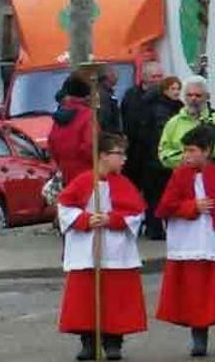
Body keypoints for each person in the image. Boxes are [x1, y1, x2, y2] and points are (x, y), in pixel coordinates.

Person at [155, 125, 215, 357]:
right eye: (184, 151)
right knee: (195, 292)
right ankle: (199, 336)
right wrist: (191, 207)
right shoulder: (179, 176)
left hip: (213, 242)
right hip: (187, 242)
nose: (186, 156)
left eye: (191, 150)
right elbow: (166, 207)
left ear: (206, 151)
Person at [57, 133, 147, 361]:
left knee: (115, 298)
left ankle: (113, 341)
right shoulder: (83, 181)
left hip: (116, 249)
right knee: (86, 298)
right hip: (87, 249)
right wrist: (86, 219)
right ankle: (88, 341)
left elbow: (136, 213)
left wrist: (112, 219)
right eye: (120, 154)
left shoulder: (124, 185)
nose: (124, 159)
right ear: (104, 155)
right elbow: (65, 209)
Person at [158, 76, 215, 175]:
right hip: (184, 180)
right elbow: (164, 154)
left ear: (207, 97)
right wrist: (188, 158)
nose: (193, 99)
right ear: (184, 97)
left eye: (198, 95)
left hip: (212, 179)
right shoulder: (174, 123)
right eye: (189, 95)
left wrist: (205, 154)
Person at [140, 76, 184, 240]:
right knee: (159, 195)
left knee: (158, 196)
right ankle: (157, 228)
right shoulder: (162, 109)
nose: (176, 92)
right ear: (165, 90)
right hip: (158, 159)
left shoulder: (173, 106)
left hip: (157, 158)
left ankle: (158, 227)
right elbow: (163, 133)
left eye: (178, 88)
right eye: (172, 89)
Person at [121, 61, 164, 187]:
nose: (158, 80)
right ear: (144, 77)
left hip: (155, 154)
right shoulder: (131, 95)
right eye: (154, 76)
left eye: (160, 76)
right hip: (134, 153)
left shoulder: (165, 96)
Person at [49, 72, 94, 185]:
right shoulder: (87, 115)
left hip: (65, 173)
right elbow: (90, 146)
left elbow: (52, 142)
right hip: (85, 174)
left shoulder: (60, 115)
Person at [97, 65, 122, 134]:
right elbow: (104, 117)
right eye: (115, 74)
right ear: (108, 76)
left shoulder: (109, 92)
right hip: (107, 134)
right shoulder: (102, 94)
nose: (118, 78)